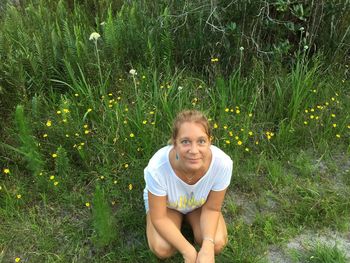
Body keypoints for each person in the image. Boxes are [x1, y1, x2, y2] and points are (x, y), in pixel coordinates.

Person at [143, 110, 233, 263]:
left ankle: (193, 223)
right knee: (162, 248)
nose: (194, 150)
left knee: (217, 243)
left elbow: (212, 208)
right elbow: (159, 218)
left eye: (201, 141)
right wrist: (188, 251)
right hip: (167, 207)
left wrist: (208, 245)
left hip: (200, 205)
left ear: (210, 141)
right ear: (174, 143)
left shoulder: (222, 164)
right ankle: (179, 223)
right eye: (185, 141)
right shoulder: (157, 168)